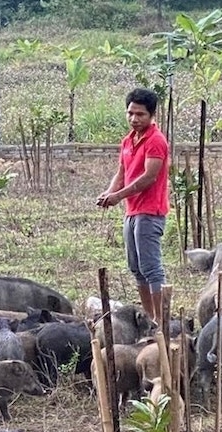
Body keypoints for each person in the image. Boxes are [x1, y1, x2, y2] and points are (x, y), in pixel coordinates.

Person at [96, 87, 170, 326]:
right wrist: (109, 192)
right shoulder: (128, 140)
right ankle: (151, 319)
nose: (134, 119)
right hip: (132, 210)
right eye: (130, 113)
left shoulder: (156, 141)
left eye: (140, 114)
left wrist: (118, 195)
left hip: (150, 211)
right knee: (136, 268)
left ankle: (161, 318)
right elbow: (122, 171)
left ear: (151, 115)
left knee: (151, 267)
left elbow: (149, 177)